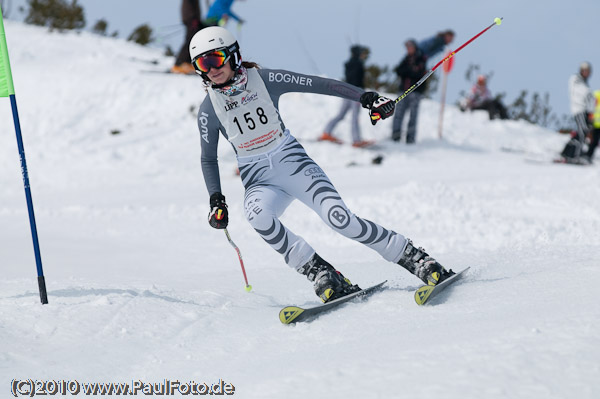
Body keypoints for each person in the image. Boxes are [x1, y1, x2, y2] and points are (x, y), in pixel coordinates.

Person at [190, 26, 455, 303]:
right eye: (202, 64)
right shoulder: (209, 109)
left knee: (341, 220)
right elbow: (208, 158)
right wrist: (216, 200)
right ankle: (320, 273)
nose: (210, 69)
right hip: (259, 180)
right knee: (257, 216)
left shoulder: (265, 79)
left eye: (215, 59)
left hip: (292, 163)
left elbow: (320, 84)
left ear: (233, 55)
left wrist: (366, 97)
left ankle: (414, 258)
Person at [319, 45, 374, 148]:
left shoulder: (348, 64)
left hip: (346, 91)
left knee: (341, 114)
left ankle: (326, 132)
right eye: (361, 52)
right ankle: (356, 140)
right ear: (358, 53)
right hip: (356, 92)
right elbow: (358, 79)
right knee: (354, 117)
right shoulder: (358, 64)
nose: (363, 54)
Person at [391, 39, 427, 143]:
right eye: (407, 47)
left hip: (415, 92)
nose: (408, 49)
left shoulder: (420, 59)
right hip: (403, 90)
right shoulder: (406, 59)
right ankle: (395, 135)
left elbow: (419, 74)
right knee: (398, 113)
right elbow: (399, 70)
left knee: (413, 115)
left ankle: (410, 138)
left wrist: (409, 71)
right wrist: (409, 70)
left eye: (410, 47)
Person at [560, 62, 595, 164]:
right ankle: (575, 156)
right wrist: (590, 95)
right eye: (585, 70)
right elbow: (583, 92)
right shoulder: (576, 79)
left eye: (588, 71)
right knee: (582, 132)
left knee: (580, 133)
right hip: (579, 110)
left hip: (584, 111)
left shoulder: (584, 82)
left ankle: (566, 153)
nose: (587, 73)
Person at [171, 0, 206, 75]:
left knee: (193, 41)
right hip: (191, 19)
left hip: (194, 19)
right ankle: (179, 64)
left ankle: (188, 63)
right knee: (190, 41)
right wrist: (192, 18)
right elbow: (188, 6)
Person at [585, 89, 600, 162]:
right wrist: (590, 119)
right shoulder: (597, 94)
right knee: (594, 141)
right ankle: (588, 156)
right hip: (596, 123)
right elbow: (591, 107)